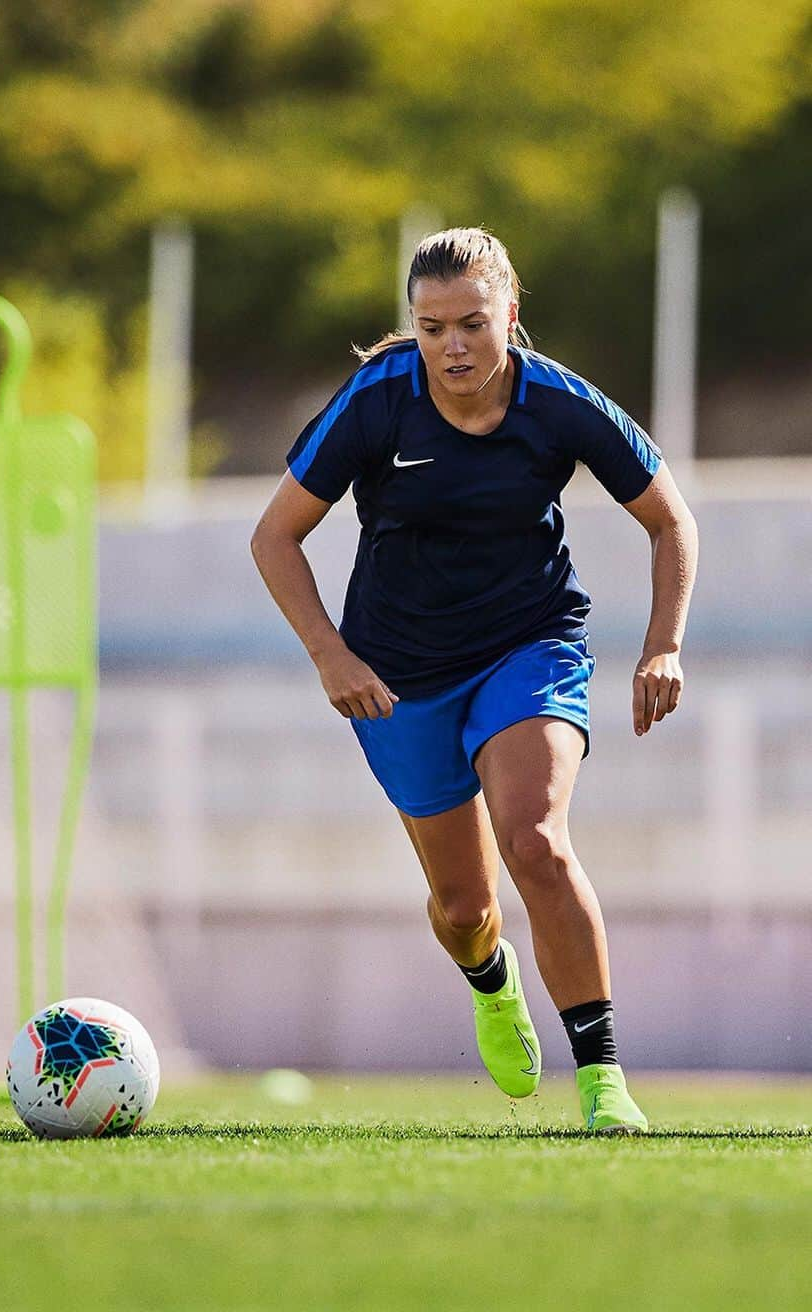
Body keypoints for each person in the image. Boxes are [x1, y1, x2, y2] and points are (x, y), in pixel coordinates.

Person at [250, 227, 698, 1133]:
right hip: (398, 673)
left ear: (511, 316)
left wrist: (663, 645)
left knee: (532, 837)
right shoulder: (377, 401)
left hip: (529, 645)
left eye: (472, 324)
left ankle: (604, 1082)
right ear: (412, 327)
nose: (452, 346)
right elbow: (274, 535)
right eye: (431, 326)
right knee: (464, 907)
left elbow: (671, 521)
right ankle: (493, 986)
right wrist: (332, 655)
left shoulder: (560, 404)